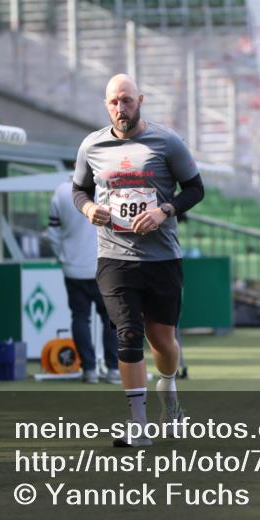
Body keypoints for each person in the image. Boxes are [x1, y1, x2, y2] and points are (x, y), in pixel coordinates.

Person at [73, 73, 204, 447]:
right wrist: (88, 209)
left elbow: (195, 188)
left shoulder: (166, 142)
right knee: (128, 334)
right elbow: (78, 189)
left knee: (162, 342)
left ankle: (170, 396)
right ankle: (138, 423)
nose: (120, 108)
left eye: (127, 100)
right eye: (114, 101)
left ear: (140, 100)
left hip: (161, 257)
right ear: (106, 104)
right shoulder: (91, 146)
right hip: (114, 257)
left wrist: (165, 210)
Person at [48, 177, 120, 385]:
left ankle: (89, 369)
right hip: (105, 266)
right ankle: (113, 368)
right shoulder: (108, 189)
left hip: (73, 268)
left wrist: (62, 256)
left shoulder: (61, 191)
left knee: (80, 317)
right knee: (110, 319)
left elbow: (53, 232)